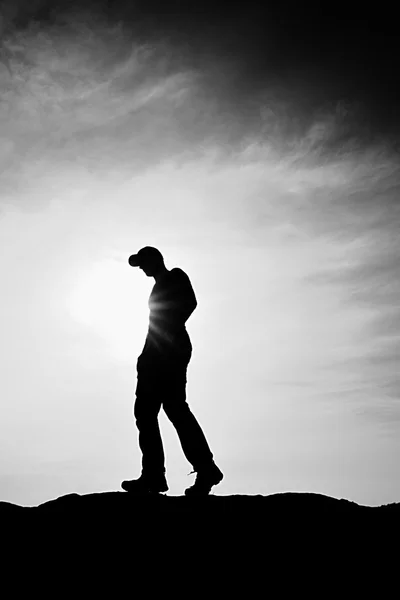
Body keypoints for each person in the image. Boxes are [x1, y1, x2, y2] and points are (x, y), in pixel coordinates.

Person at [121, 246, 223, 496]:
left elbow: (190, 303)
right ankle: (157, 476)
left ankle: (199, 469)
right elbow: (155, 323)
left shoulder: (175, 276)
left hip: (169, 352)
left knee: (173, 409)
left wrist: (168, 333)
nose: (141, 268)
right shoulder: (156, 287)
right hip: (156, 353)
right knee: (150, 412)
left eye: (143, 262)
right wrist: (145, 356)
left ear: (156, 260)